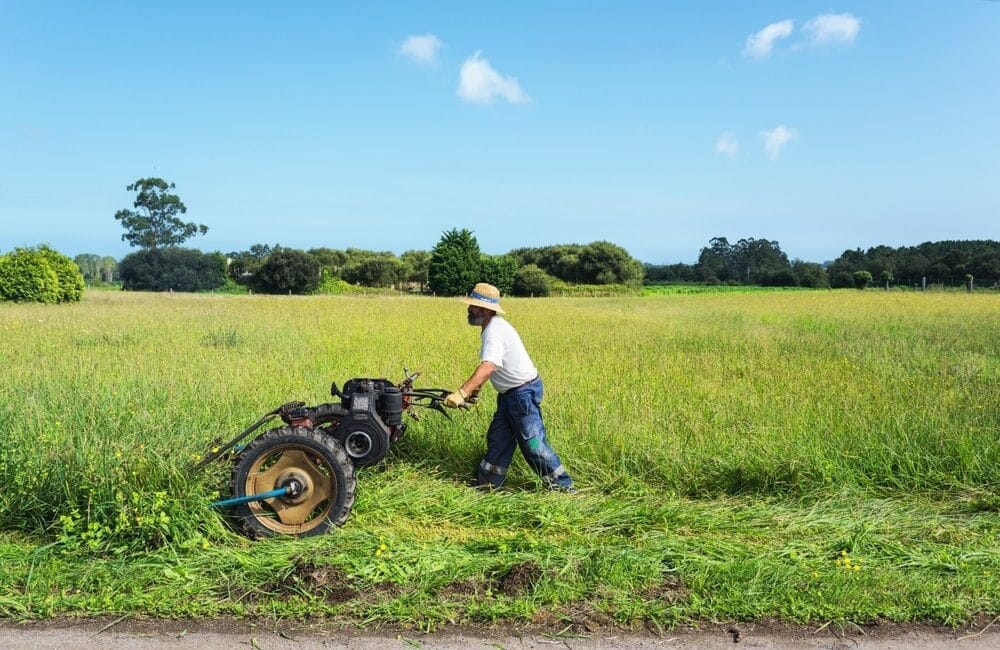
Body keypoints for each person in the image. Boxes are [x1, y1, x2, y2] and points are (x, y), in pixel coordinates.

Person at [443, 283, 575, 492]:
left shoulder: (494, 330)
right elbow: (495, 366)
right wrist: (475, 391)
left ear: (485, 309)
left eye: (473, 306)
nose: (468, 309)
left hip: (522, 395)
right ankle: (487, 485)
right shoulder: (493, 326)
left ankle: (564, 488)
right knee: (499, 439)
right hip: (510, 396)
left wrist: (462, 393)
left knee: (533, 444)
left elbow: (488, 366)